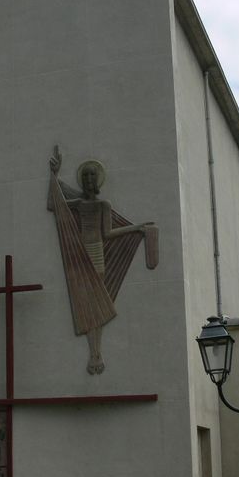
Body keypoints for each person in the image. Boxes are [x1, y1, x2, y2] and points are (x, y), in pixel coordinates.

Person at [47, 146, 158, 373]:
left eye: (92, 175)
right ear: (81, 180)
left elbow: (108, 234)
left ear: (97, 180)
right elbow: (54, 204)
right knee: (86, 305)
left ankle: (96, 353)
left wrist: (135, 228)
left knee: (96, 303)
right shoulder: (78, 204)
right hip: (79, 255)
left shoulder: (102, 205)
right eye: (85, 175)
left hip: (97, 254)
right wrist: (54, 174)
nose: (88, 178)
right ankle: (93, 353)